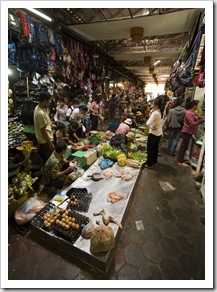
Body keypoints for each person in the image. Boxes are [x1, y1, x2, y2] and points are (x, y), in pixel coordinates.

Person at [177, 100, 205, 167]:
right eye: (197, 105)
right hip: (187, 131)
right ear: (194, 106)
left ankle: (181, 159)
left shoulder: (192, 112)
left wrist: (200, 118)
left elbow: (195, 118)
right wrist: (202, 121)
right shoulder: (189, 113)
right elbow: (192, 123)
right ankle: (180, 161)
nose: (198, 106)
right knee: (183, 146)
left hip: (189, 131)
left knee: (184, 146)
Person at [34, 91, 56, 165]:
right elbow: (43, 131)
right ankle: (48, 175)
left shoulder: (41, 108)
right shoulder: (40, 113)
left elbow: (46, 121)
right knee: (48, 160)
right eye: (49, 100)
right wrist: (50, 144)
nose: (50, 102)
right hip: (45, 141)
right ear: (45, 100)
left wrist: (51, 124)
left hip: (47, 139)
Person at [145, 96, 165, 169]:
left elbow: (147, 123)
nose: (152, 104)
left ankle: (149, 164)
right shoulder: (162, 111)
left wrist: (151, 127)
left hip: (153, 133)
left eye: (153, 103)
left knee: (150, 149)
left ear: (157, 105)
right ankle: (154, 162)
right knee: (155, 148)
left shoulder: (155, 113)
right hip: (159, 133)